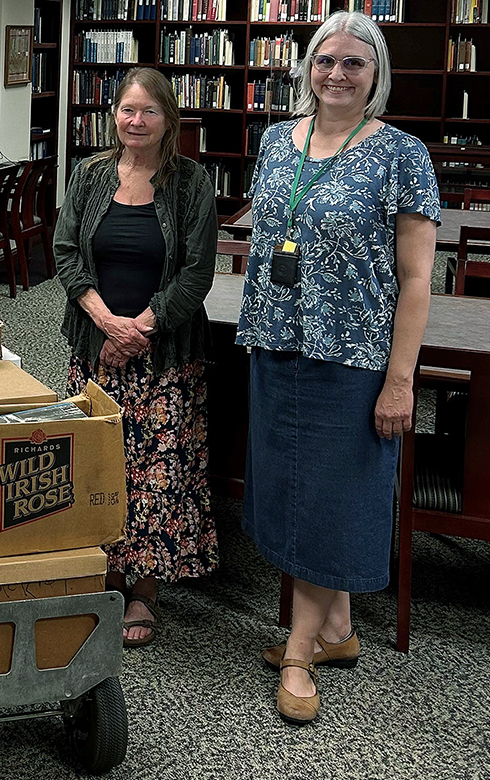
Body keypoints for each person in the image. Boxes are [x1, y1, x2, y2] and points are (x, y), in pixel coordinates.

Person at [237, 11, 439, 725]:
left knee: (333, 500)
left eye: (355, 62)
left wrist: (400, 379)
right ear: (307, 68)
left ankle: (299, 652)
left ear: (376, 73)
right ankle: (338, 628)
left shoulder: (402, 153)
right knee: (293, 491)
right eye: (326, 60)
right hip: (276, 344)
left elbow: (417, 279)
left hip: (352, 357)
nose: (337, 74)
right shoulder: (275, 140)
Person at [54, 67, 219, 649]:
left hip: (164, 356)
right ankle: (102, 575)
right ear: (114, 115)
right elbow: (66, 252)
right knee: (96, 465)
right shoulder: (89, 174)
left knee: (155, 474)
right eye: (128, 109)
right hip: (94, 349)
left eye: (150, 111)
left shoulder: (191, 182)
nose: (137, 121)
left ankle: (143, 590)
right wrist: (106, 323)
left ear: (169, 119)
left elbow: (198, 270)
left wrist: (140, 328)